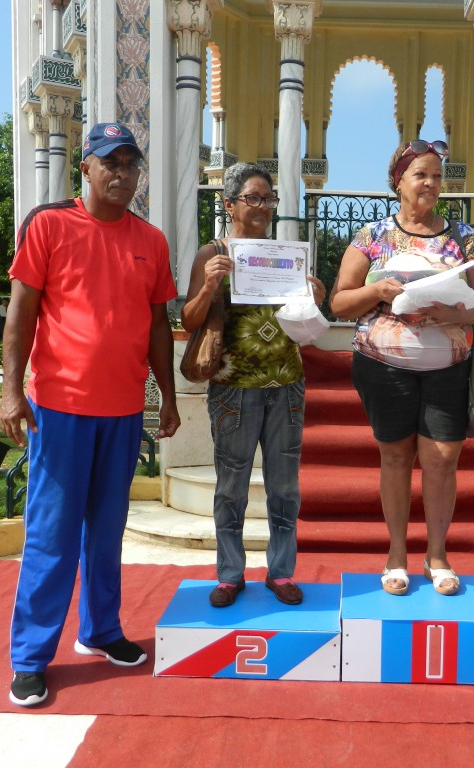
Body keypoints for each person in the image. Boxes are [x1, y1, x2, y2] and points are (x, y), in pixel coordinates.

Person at [0, 122, 180, 707]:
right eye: (111, 163)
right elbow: (20, 315)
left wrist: (167, 396)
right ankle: (30, 657)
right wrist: (10, 392)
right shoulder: (49, 226)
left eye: (131, 165)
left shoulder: (150, 240)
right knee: (51, 535)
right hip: (61, 407)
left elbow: (156, 326)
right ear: (87, 168)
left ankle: (101, 630)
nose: (123, 174)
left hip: (124, 411)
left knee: (105, 531)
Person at [329, 140, 474, 597]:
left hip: (448, 368)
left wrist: (457, 314)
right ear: (398, 182)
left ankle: (438, 555)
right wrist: (377, 291)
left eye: (437, 176)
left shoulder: (463, 237)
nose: (430, 183)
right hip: (384, 367)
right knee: (396, 455)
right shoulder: (373, 236)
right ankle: (397, 555)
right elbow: (339, 301)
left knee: (442, 459)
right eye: (420, 174)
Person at [181, 162, 325, 609]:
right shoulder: (214, 253)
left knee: (285, 486)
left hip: (286, 383)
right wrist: (208, 287)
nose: (262, 207)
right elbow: (188, 321)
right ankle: (230, 573)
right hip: (234, 385)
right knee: (231, 484)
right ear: (229, 204)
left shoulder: (286, 258)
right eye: (253, 198)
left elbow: (305, 321)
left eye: (269, 199)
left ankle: (281, 572)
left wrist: (313, 295)